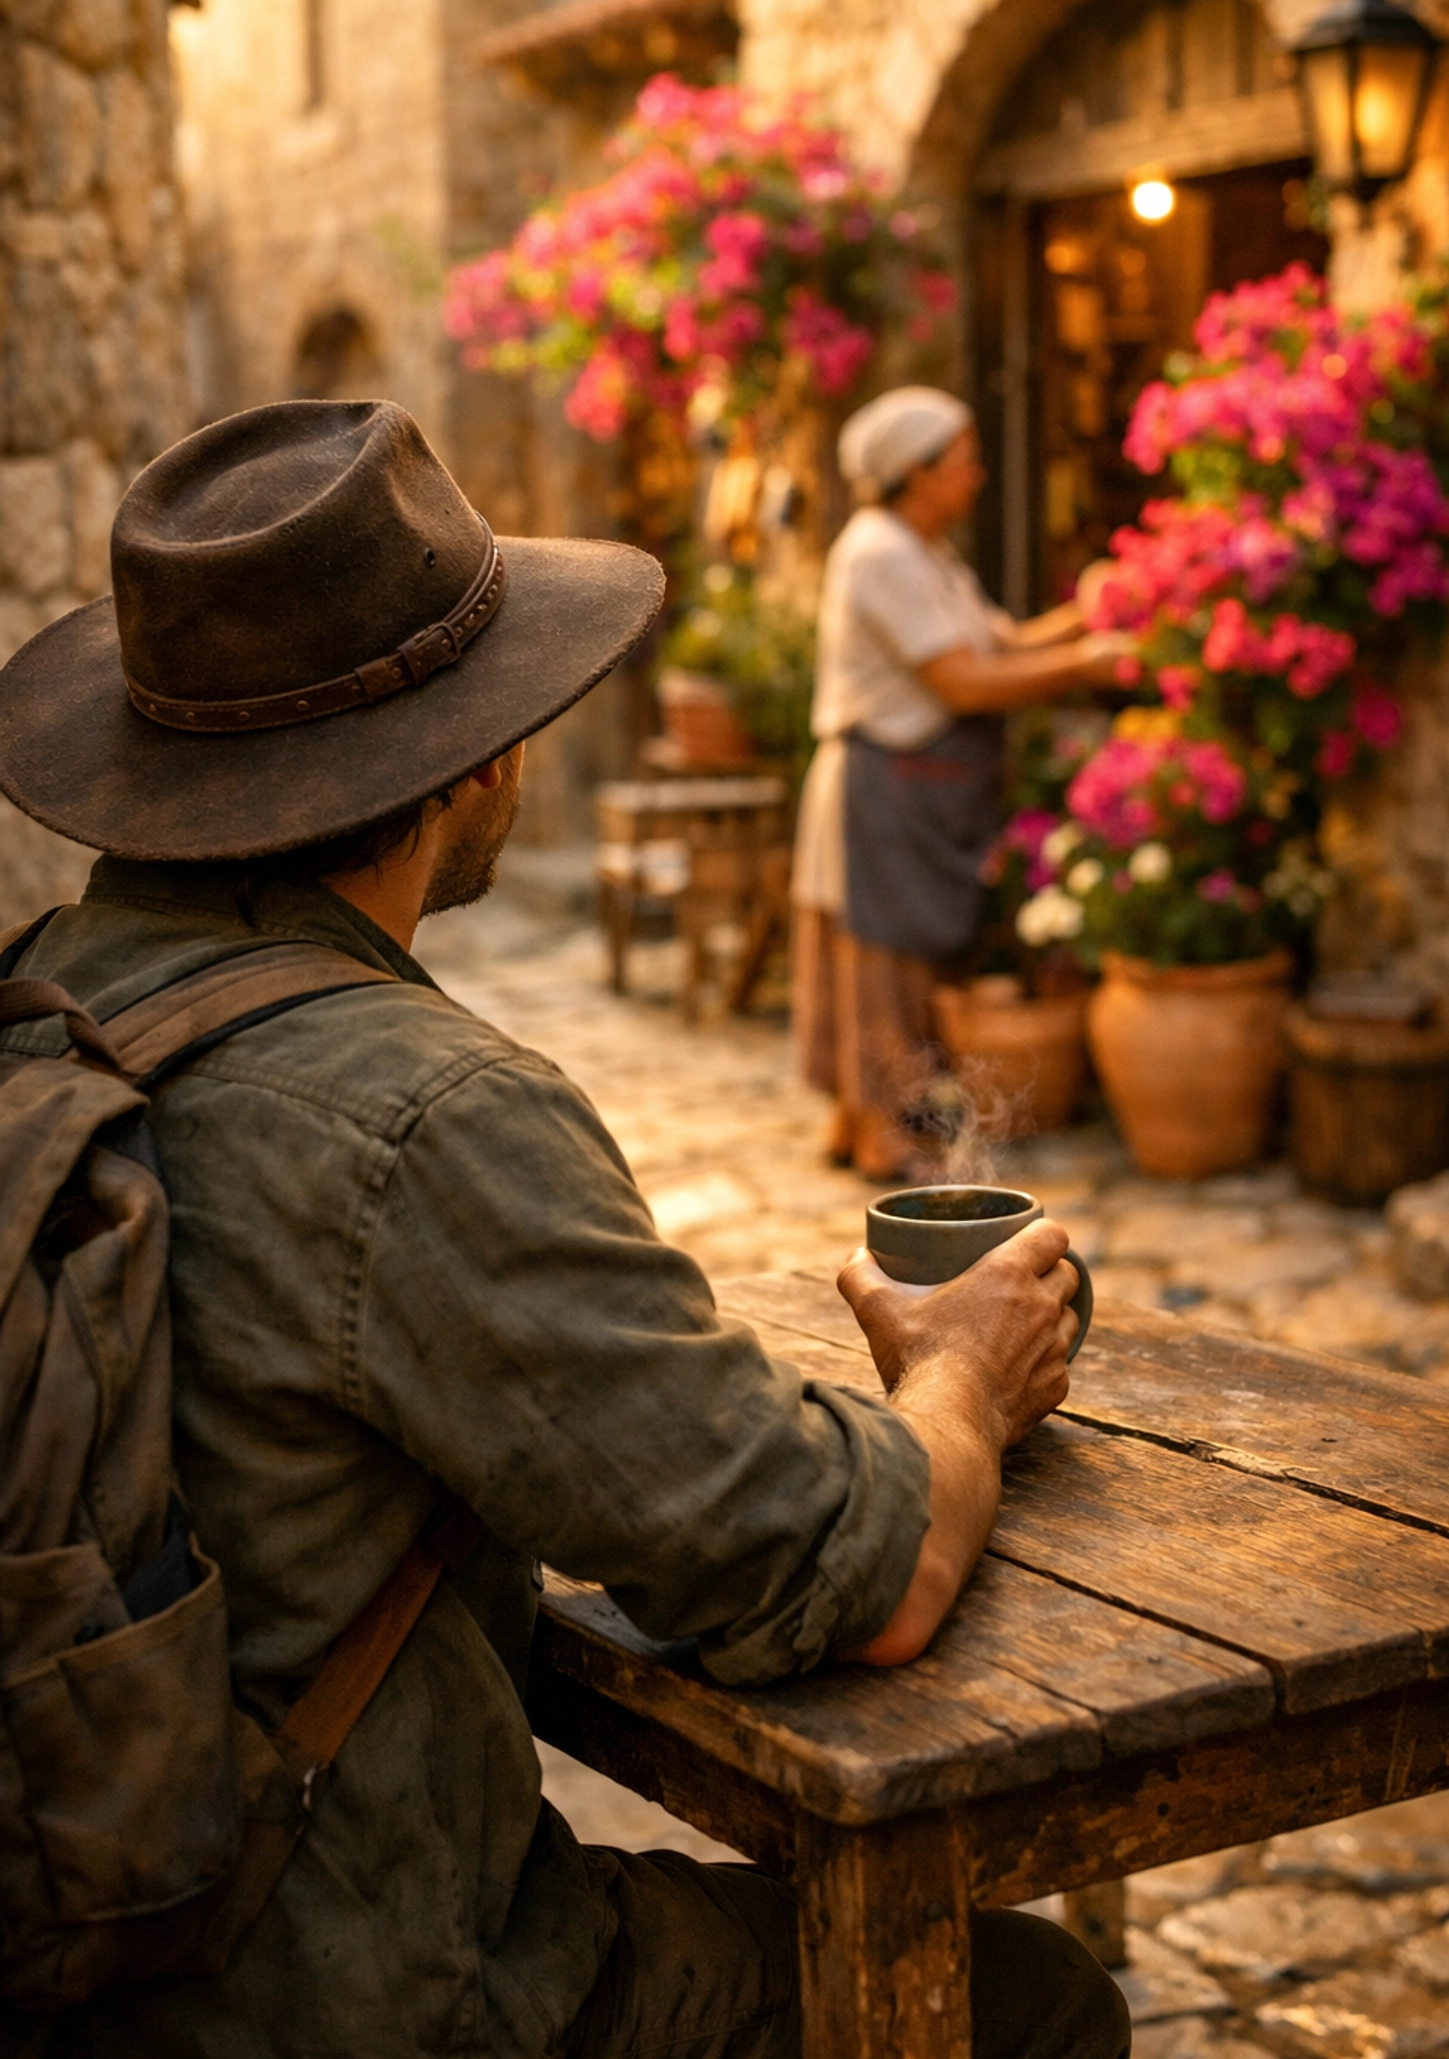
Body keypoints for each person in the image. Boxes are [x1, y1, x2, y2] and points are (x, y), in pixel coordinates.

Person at [0, 401, 1129, 2059]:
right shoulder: (424, 1109)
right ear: (474, 755)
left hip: (77, 1950)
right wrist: (958, 1381)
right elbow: (854, 1570)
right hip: (352, 1992)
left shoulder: (35, 1002)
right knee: (1029, 1999)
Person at [792, 387, 1135, 1182]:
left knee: (897, 956)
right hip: (881, 784)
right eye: (964, 460)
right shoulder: (879, 552)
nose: (978, 474)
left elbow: (1001, 642)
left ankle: (859, 1121)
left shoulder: (925, 553)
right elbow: (965, 683)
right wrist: (1088, 664)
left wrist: (1089, 611)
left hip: (908, 785)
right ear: (916, 473)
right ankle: (883, 1131)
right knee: (883, 958)